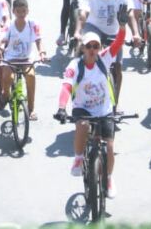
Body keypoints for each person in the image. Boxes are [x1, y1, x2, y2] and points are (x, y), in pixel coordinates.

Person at [54, 26, 125, 197]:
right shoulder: (75, 65)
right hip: (83, 108)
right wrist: (62, 108)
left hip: (104, 109)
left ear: (99, 48)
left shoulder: (104, 59)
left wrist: (122, 27)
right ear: (83, 48)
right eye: (89, 46)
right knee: (83, 126)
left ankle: (108, 178)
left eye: (96, 46)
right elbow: (66, 87)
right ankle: (78, 158)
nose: (92, 50)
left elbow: (119, 42)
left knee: (109, 147)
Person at [76, 0, 140, 105]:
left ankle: (115, 103)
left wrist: (135, 33)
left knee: (117, 67)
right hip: (93, 28)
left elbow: (130, 15)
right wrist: (78, 32)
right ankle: (79, 86)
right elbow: (83, 15)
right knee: (87, 52)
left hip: (113, 32)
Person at [0, 0, 45, 117]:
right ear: (13, 12)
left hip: (26, 59)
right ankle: (5, 95)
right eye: (18, 11)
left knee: (31, 76)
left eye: (24, 11)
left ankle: (31, 109)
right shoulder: (9, 25)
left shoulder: (33, 24)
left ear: (28, 11)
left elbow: (38, 40)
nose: (21, 14)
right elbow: (1, 39)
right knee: (7, 77)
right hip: (10, 59)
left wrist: (42, 52)